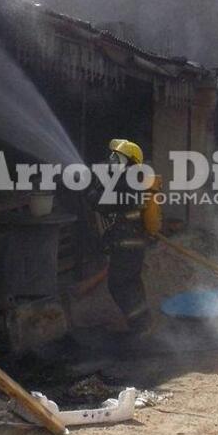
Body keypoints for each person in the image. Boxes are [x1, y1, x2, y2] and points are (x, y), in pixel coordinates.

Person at [88, 139, 155, 334]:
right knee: (131, 281)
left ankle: (140, 327)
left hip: (127, 242)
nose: (111, 159)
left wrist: (91, 192)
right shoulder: (131, 179)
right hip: (131, 240)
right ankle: (144, 323)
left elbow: (104, 204)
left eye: (116, 156)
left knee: (119, 284)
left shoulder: (127, 182)